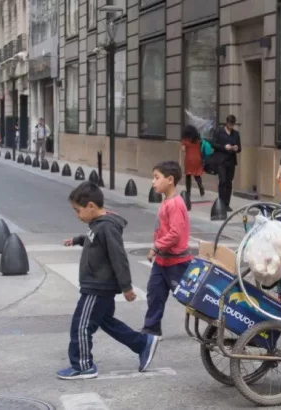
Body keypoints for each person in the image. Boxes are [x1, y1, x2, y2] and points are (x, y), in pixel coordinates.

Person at [57, 181, 159, 380]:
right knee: (106, 321)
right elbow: (93, 239)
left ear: (91, 206)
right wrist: (78, 240)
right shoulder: (97, 225)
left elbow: (118, 256)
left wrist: (127, 287)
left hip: (97, 286)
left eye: (78, 211)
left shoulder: (107, 227)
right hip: (97, 285)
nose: (77, 216)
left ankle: (83, 365)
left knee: (81, 325)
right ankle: (142, 343)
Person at [142, 161, 192, 337]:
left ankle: (218, 321)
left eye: (156, 177)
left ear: (170, 179)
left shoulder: (175, 204)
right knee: (154, 293)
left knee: (191, 298)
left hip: (177, 262)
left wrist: (156, 246)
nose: (153, 182)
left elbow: (175, 233)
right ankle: (151, 329)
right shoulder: (167, 202)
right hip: (162, 260)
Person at [211, 115, 241, 211]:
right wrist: (224, 147)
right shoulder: (219, 132)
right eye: (230, 124)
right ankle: (221, 202)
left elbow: (240, 148)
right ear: (227, 123)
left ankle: (227, 204)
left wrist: (236, 148)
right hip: (221, 161)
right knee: (222, 181)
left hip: (231, 161)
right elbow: (213, 144)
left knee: (229, 182)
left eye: (233, 124)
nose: (231, 126)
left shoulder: (236, 134)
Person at [181, 125, 213, 199]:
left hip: (189, 159)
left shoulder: (185, 140)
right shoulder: (198, 139)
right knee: (197, 174)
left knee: (188, 176)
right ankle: (201, 187)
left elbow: (183, 149)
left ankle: (188, 192)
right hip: (197, 158)